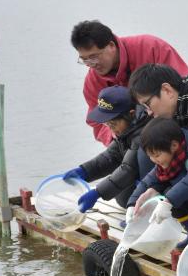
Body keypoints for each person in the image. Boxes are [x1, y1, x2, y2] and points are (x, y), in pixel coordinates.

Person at [71, 20, 188, 146]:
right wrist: (115, 134)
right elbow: (96, 122)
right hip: (132, 142)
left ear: (111, 46)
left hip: (175, 128)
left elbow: (183, 87)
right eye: (84, 60)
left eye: (94, 57)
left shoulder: (151, 47)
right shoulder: (92, 82)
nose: (91, 65)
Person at [61, 86, 154, 215]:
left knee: (126, 194)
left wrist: (97, 193)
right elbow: (111, 156)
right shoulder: (128, 129)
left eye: (113, 124)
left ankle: (144, 215)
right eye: (107, 124)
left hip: (162, 184)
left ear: (131, 114)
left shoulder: (144, 132)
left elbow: (128, 169)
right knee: (123, 197)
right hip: (141, 180)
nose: (111, 129)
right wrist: (85, 171)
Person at [127, 118, 188, 248]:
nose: (153, 160)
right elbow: (148, 181)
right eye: (150, 155)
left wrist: (168, 201)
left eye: (156, 155)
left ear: (174, 145)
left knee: (170, 194)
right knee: (167, 193)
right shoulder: (168, 157)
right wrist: (132, 204)